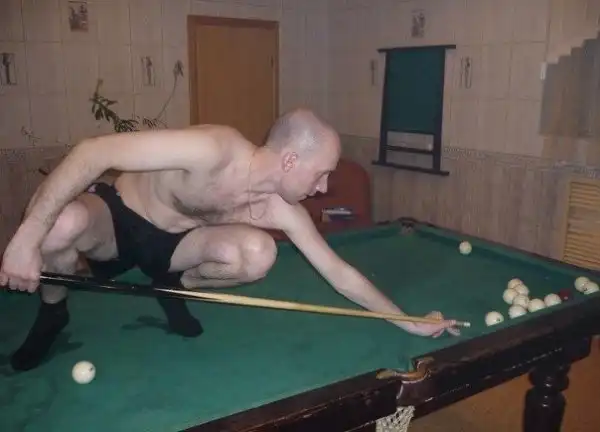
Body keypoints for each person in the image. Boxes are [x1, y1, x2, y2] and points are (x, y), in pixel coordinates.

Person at [0, 108, 458, 371]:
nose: (322, 188)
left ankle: (175, 286)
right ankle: (53, 311)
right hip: (120, 220)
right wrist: (25, 239)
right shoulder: (213, 149)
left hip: (174, 246)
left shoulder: (281, 208)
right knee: (61, 226)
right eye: (320, 174)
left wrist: (410, 322)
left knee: (258, 253)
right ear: (291, 160)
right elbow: (92, 151)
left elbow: (339, 273)